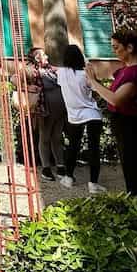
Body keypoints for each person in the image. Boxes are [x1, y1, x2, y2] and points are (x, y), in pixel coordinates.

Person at [90, 29, 137, 214]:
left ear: (130, 48)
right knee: (134, 178)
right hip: (126, 128)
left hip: (135, 130)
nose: (114, 52)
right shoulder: (126, 71)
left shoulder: (135, 74)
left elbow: (117, 99)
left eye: (117, 48)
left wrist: (94, 83)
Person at [57, 43, 106, 194]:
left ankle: (68, 178)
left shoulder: (61, 72)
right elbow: (96, 87)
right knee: (94, 148)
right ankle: (93, 183)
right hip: (92, 113)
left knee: (73, 146)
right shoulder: (85, 74)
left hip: (74, 115)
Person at [20, 47, 66, 182]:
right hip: (44, 110)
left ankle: (60, 166)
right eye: (43, 54)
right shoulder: (30, 71)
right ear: (37, 58)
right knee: (45, 137)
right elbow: (14, 79)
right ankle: (46, 168)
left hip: (60, 110)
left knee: (57, 137)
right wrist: (27, 87)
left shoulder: (52, 69)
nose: (46, 56)